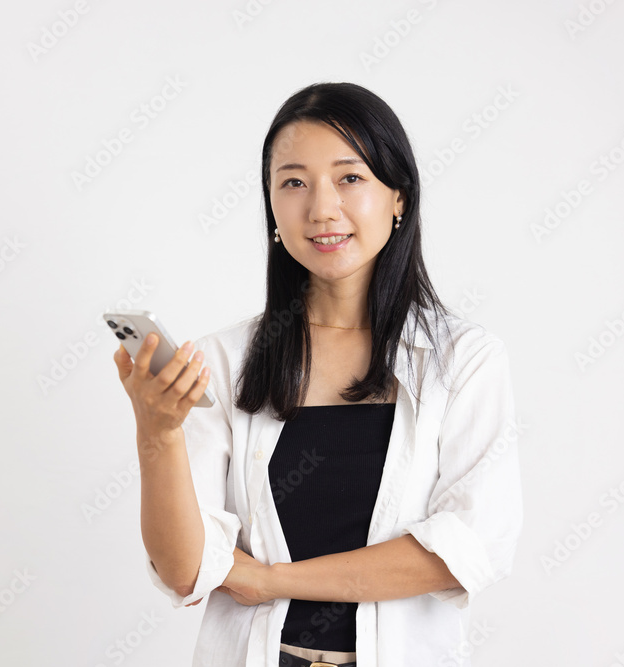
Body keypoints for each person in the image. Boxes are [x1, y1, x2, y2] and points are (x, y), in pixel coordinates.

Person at [113, 82, 523, 667]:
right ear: (272, 208)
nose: (322, 208)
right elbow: (186, 571)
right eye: (294, 182)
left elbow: (468, 549)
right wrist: (157, 434)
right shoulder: (223, 362)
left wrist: (270, 580)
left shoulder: (462, 360)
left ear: (399, 197)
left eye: (349, 177)